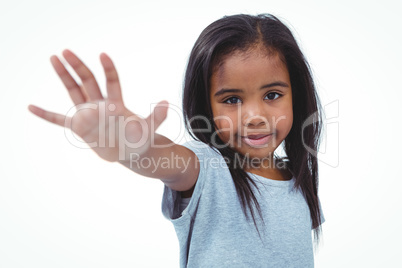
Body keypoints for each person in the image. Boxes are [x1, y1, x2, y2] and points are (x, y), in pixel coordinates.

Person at [28, 13, 324, 268]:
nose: (255, 116)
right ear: (206, 106)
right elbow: (166, 160)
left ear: (296, 94)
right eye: (232, 99)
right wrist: (133, 148)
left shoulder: (297, 176)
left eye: (272, 95)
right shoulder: (208, 168)